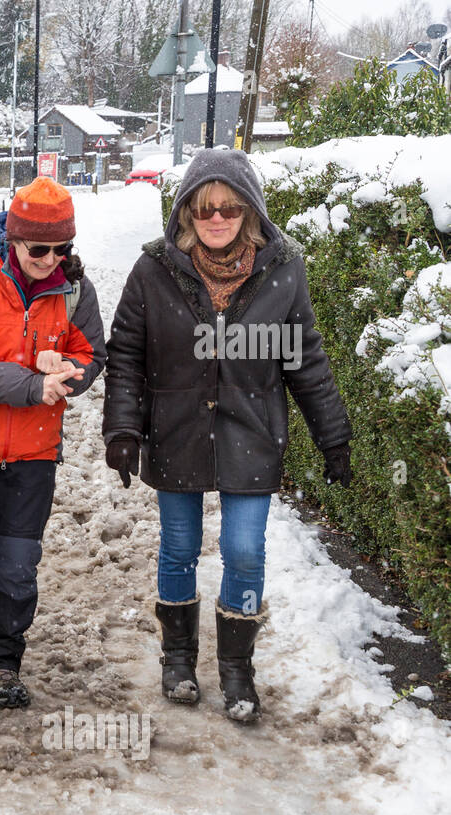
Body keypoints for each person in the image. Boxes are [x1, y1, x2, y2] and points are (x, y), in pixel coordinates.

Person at [102, 148, 352, 723]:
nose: (218, 218)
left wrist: (333, 438)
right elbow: (127, 358)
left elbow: (304, 360)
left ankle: (238, 668)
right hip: (176, 431)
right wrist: (122, 429)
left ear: (250, 213)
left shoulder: (284, 271)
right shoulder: (153, 271)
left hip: (252, 430)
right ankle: (178, 657)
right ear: (189, 210)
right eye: (206, 207)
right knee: (180, 549)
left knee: (244, 551)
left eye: (231, 208)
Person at [0, 177, 106, 708]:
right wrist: (33, 384)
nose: (50, 259)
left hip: (33, 452)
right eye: (38, 248)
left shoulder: (74, 290)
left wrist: (68, 369)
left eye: (61, 249)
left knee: (16, 564)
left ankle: (3, 659)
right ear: (13, 239)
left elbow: (94, 354)